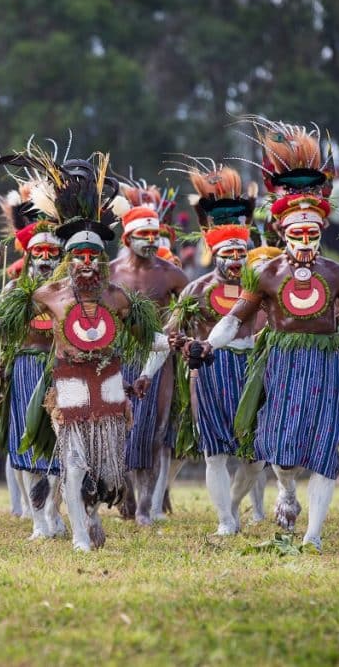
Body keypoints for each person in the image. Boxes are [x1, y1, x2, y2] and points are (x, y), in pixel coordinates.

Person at [179, 118, 339, 551]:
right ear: (281, 232)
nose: (304, 241)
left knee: (322, 451)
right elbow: (236, 318)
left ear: (321, 232)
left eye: (312, 233)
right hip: (280, 362)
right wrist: (208, 344)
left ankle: (313, 534)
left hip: (326, 363)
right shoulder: (265, 274)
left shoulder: (336, 274)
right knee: (277, 447)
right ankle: (287, 491)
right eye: (296, 234)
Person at [0, 148, 162, 551]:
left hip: (108, 387)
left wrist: (147, 372)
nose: (86, 264)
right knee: (72, 463)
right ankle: (78, 536)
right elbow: (4, 325)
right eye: (79, 258)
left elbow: (155, 341)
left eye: (93, 257)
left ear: (103, 261)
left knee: (106, 471)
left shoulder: (119, 298)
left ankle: (89, 514)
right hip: (69, 385)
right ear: (67, 261)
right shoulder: (49, 294)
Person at [160, 162, 259, 535]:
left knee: (256, 457)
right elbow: (172, 332)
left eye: (240, 253)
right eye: (228, 253)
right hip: (211, 371)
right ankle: (224, 520)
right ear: (214, 252)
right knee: (214, 453)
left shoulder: (260, 289)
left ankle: (231, 505)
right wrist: (183, 345)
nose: (235, 260)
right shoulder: (196, 290)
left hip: (251, 368)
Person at [0, 174, 66, 539]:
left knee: (61, 447)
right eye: (38, 253)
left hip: (61, 371)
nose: (44, 259)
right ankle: (39, 521)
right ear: (28, 255)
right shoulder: (14, 289)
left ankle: (56, 513)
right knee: (27, 448)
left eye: (51, 253)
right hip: (26, 367)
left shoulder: (68, 290)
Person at [109, 192, 189, 526]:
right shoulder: (110, 272)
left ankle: (145, 505)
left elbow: (187, 307)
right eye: (143, 235)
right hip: (118, 355)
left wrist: (172, 330)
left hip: (159, 358)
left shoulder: (170, 273)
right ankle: (125, 492)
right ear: (127, 238)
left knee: (153, 432)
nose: (151, 241)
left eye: (155, 235)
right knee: (120, 430)